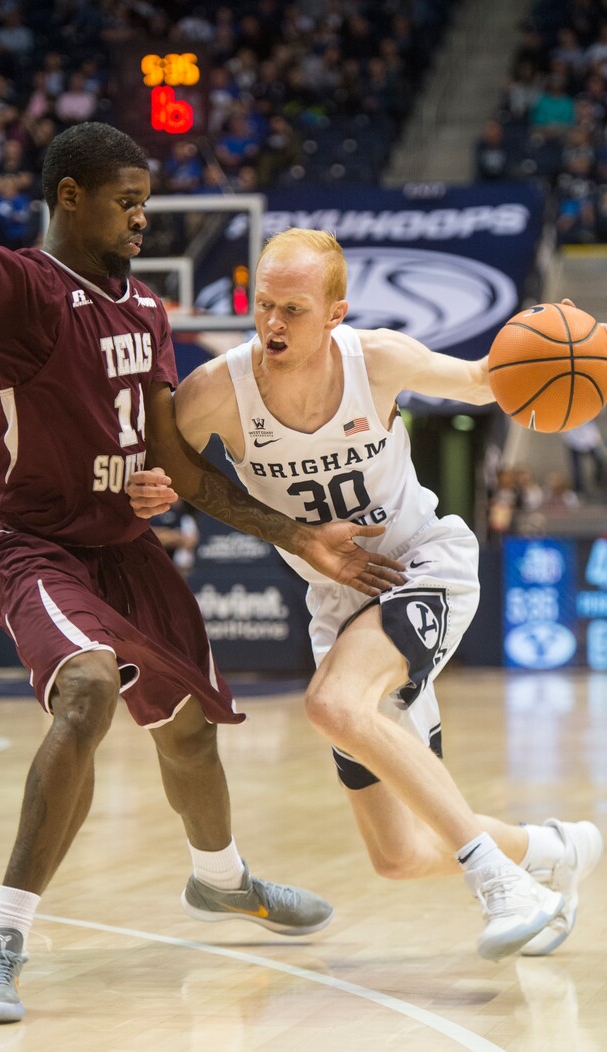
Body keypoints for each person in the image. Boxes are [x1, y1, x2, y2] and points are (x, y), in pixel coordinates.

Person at [0, 8, 405, 1027]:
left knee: (188, 733)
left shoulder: (144, 311)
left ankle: (220, 875)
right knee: (85, 694)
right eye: (128, 203)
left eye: (148, 201)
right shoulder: (21, 290)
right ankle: (1, 933)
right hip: (36, 545)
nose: (143, 218)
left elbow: (179, 460)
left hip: (125, 546)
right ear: (69, 196)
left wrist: (291, 530)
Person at [135, 228, 603, 964]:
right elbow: (164, 465)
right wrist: (150, 486)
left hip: (422, 568)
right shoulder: (218, 390)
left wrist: (559, 338)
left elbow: (485, 378)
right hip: (339, 608)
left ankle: (503, 887)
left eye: (292, 309)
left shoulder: (377, 360)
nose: (272, 325)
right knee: (403, 852)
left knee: (331, 704)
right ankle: (552, 850)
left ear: (335, 314)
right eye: (263, 306)